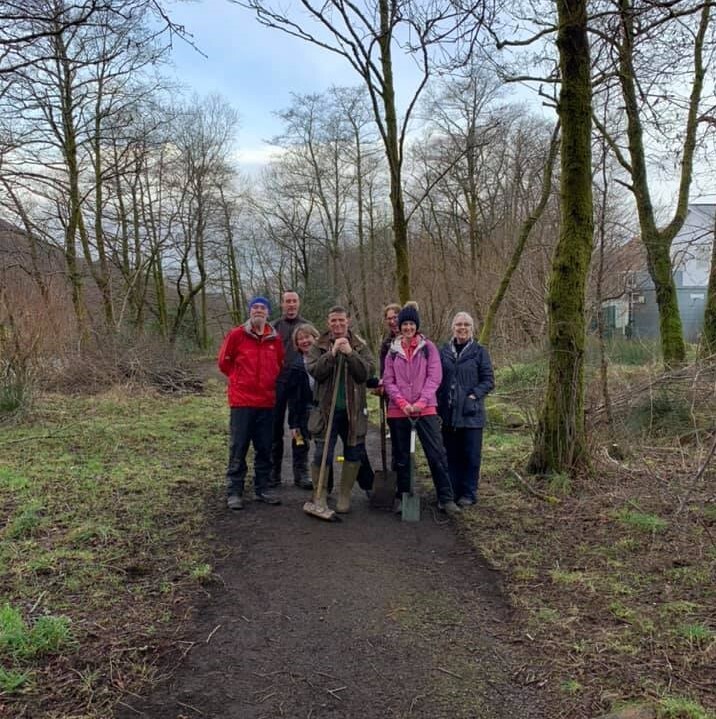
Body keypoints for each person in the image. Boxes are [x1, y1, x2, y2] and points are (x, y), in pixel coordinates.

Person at [383, 304, 461, 518]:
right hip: (399, 412)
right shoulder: (392, 351)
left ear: (416, 326)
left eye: (411, 324)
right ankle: (402, 495)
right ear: (400, 327)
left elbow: (434, 378)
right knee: (401, 458)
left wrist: (420, 402)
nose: (408, 327)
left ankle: (446, 498)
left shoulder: (428, 348)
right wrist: (402, 403)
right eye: (404, 324)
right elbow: (389, 381)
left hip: (425, 410)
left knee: (436, 454)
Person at [218, 296, 284, 510]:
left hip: (266, 401)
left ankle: (262, 488)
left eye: (262, 308)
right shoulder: (237, 335)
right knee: (239, 446)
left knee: (265, 447)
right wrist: (239, 381)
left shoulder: (275, 339)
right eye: (254, 307)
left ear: (268, 313)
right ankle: (234, 491)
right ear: (249, 311)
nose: (258, 311)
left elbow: (280, 364)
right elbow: (223, 362)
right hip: (242, 402)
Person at [306, 306, 374, 513]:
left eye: (341, 320)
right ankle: (321, 494)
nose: (337, 324)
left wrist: (350, 354)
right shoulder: (318, 346)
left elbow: (367, 373)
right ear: (328, 322)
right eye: (333, 321)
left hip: (352, 412)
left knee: (353, 451)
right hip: (326, 411)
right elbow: (315, 371)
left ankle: (345, 495)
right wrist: (332, 354)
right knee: (321, 453)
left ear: (348, 321)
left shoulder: (360, 345)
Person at [437, 311, 495, 507]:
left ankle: (469, 493)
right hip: (448, 413)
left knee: (471, 455)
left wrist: (473, 395)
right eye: (459, 324)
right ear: (452, 327)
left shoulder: (479, 352)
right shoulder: (443, 351)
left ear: (472, 328)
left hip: (471, 414)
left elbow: (488, 380)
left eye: (466, 325)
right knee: (451, 455)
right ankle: (452, 492)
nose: (462, 328)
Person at [270, 290, 311, 489]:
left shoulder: (306, 327)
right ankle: (273, 472)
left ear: (299, 303)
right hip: (277, 383)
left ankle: (301, 472)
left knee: (299, 428)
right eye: (287, 301)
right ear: (282, 304)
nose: (291, 305)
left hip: (300, 386)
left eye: (294, 301)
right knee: (274, 429)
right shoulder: (274, 327)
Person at [286, 322, 320, 491]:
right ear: (297, 343)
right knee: (300, 442)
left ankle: (321, 475)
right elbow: (292, 398)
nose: (305, 341)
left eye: (308, 337)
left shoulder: (325, 358)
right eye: (300, 339)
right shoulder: (296, 366)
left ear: (315, 338)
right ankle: (301, 475)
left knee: (322, 444)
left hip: (322, 407)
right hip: (303, 409)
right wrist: (293, 423)